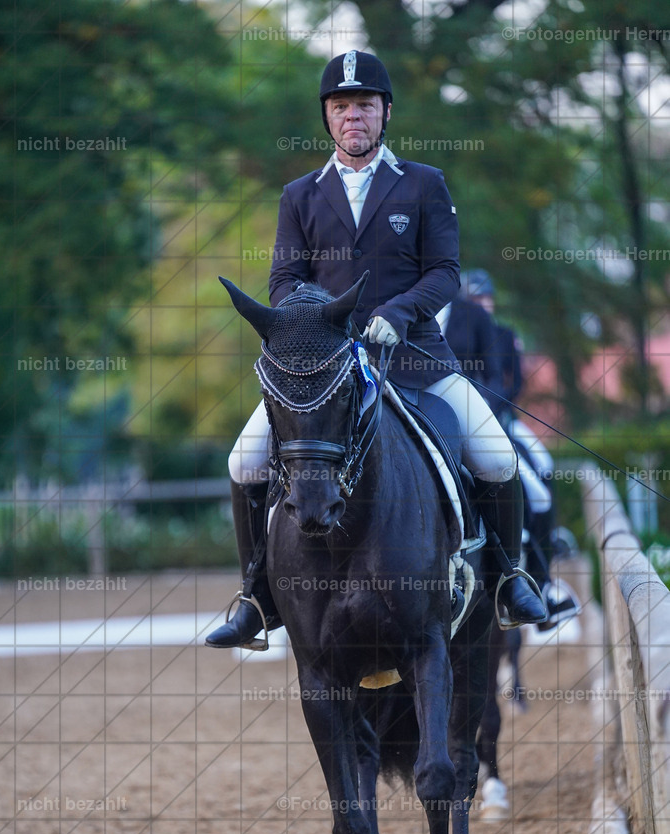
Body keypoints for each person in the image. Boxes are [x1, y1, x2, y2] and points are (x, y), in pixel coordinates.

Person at [206, 51, 546, 650]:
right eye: (341, 107)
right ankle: (255, 596)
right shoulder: (300, 196)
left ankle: (511, 581)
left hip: (417, 357)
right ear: (328, 118)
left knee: (496, 457)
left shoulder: (422, 183)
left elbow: (444, 271)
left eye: (363, 105)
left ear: (385, 112)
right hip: (329, 370)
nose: (352, 116)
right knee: (243, 461)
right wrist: (316, 320)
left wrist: (397, 311)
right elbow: (284, 281)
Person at [455, 269, 579, 628]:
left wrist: (492, 408)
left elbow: (515, 382)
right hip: (461, 422)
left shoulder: (505, 335)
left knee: (541, 469)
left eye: (485, 298)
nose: (482, 304)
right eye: (474, 299)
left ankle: (545, 580)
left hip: (503, 421)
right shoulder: (454, 332)